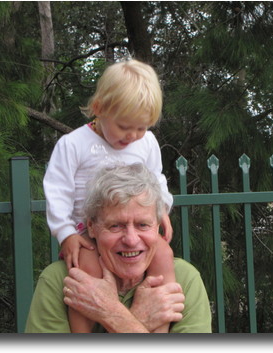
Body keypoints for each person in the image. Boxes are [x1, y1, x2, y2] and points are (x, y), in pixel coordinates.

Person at [42, 59, 175, 332]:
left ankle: (160, 328)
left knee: (164, 255)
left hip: (132, 230)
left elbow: (156, 180)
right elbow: (57, 190)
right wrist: (66, 233)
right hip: (87, 235)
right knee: (86, 275)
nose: (134, 135)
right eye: (125, 126)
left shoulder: (146, 143)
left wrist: (161, 210)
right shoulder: (74, 144)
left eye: (142, 127)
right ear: (99, 108)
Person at [25, 164, 212, 333]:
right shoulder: (60, 281)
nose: (131, 240)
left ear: (157, 227)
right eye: (115, 226)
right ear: (91, 227)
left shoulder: (185, 279)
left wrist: (113, 315)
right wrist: (131, 320)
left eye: (143, 225)